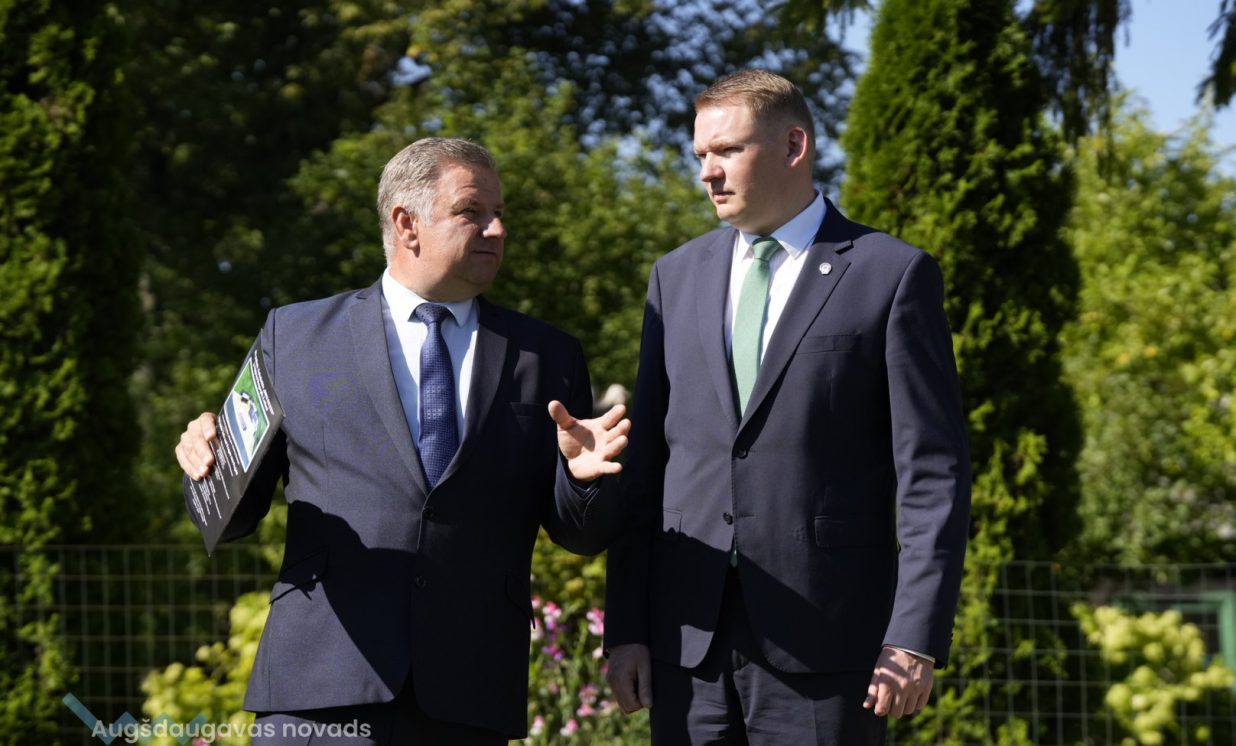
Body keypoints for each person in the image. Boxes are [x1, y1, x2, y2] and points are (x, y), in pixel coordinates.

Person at [175, 137, 630, 745]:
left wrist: (581, 479)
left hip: (469, 694)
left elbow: (580, 535)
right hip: (320, 687)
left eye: (499, 213)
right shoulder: (295, 335)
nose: (497, 229)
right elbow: (233, 517)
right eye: (471, 212)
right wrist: (207, 462)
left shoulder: (547, 355)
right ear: (406, 223)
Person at [603, 70, 971, 745]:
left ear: (794, 145)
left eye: (727, 150)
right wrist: (626, 627)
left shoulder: (890, 274)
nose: (708, 172)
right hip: (687, 643)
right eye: (701, 155)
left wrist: (914, 635)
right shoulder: (673, 277)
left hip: (828, 644)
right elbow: (647, 469)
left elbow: (932, 474)